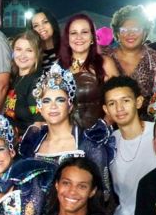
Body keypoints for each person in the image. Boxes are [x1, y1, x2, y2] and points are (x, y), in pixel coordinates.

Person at [20, 63, 113, 202]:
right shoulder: (33, 144)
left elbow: (104, 194)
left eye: (60, 100)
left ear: (70, 106)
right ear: (40, 108)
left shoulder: (89, 142)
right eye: (46, 101)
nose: (53, 106)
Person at [103, 76, 156, 215]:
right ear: (106, 109)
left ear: (139, 102)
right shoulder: (108, 142)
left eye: (125, 101)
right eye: (112, 103)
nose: (119, 108)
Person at [58, 14, 118, 129]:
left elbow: (118, 99)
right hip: (67, 134)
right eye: (73, 33)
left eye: (84, 32)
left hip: (101, 132)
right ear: (67, 38)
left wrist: (102, 128)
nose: (79, 37)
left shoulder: (105, 63)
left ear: (92, 37)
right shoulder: (58, 67)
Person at [103, 5, 156, 121]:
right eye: (124, 30)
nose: (130, 34)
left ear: (145, 32)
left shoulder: (155, 58)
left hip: (147, 124)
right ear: (117, 33)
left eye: (136, 29)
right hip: (109, 122)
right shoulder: (104, 57)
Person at [4, 31, 43, 137]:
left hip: (28, 141)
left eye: (29, 50)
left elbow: (39, 123)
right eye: (18, 49)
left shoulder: (37, 82)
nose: (22, 55)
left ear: (37, 53)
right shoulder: (15, 77)